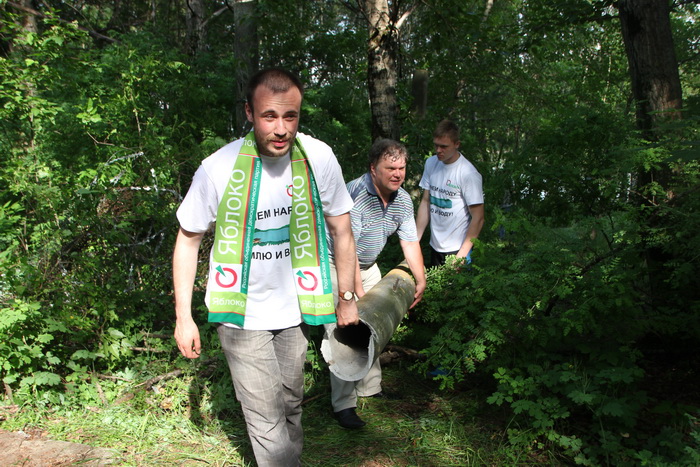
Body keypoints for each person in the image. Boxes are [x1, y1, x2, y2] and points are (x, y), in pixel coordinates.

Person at [172, 68, 359, 467]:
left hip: (296, 308)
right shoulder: (217, 168)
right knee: (267, 418)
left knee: (291, 402)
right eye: (269, 116)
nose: (281, 129)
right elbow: (188, 239)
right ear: (249, 113)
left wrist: (346, 298)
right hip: (240, 313)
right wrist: (183, 317)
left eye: (290, 116)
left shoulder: (318, 157)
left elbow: (342, 229)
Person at [326, 138, 426, 429]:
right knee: (347, 329)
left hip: (368, 265)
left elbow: (409, 241)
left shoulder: (403, 200)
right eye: (390, 168)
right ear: (373, 168)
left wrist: (420, 280)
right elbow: (348, 249)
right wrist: (357, 295)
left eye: (402, 168)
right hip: (336, 265)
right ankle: (343, 405)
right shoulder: (354, 195)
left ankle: (371, 387)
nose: (397, 174)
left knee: (375, 324)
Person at [416, 120, 485, 267]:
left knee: (457, 289)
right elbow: (426, 201)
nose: (438, 150)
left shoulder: (468, 173)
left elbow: (478, 218)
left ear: (457, 144)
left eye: (444, 146)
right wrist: (414, 241)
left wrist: (461, 256)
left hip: (458, 248)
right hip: (435, 245)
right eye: (436, 145)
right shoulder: (431, 163)